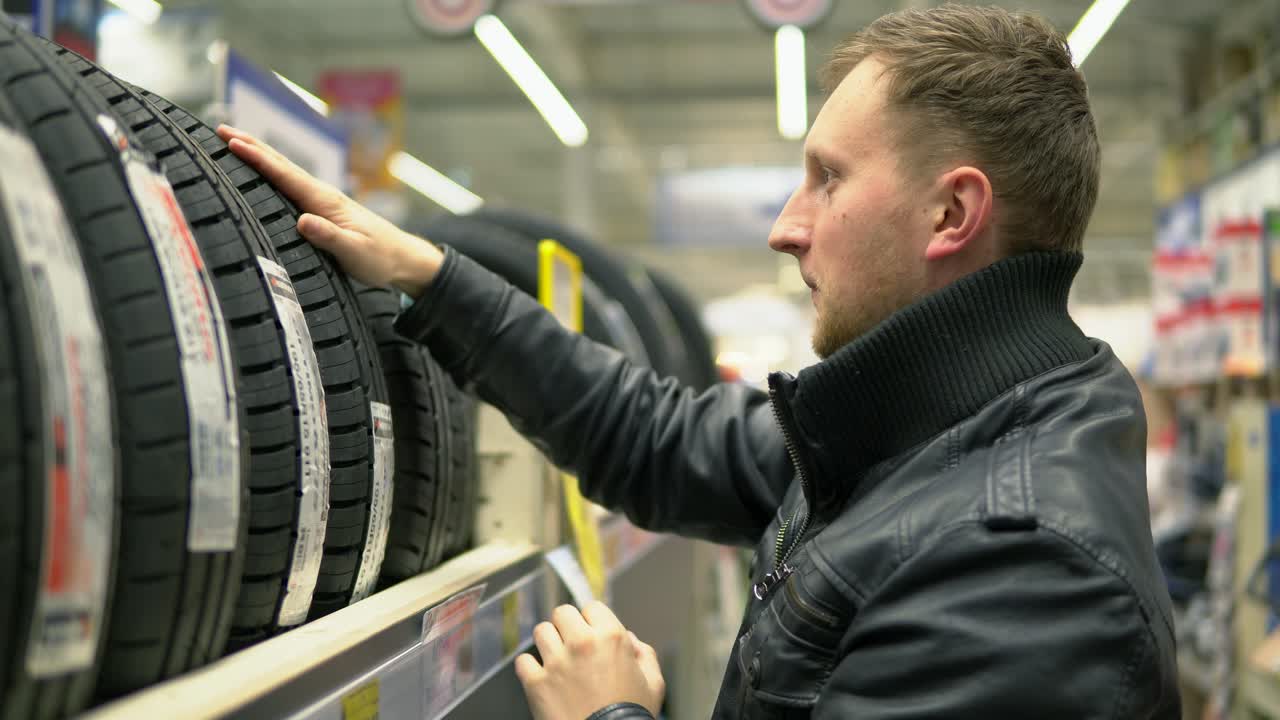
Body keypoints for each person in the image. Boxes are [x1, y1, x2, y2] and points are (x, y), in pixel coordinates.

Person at [218, 4, 1180, 718]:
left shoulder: (1023, 568)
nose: (785, 227)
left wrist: (614, 716)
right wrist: (434, 280)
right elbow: (655, 436)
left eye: (827, 179)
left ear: (952, 215)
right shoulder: (918, 428)